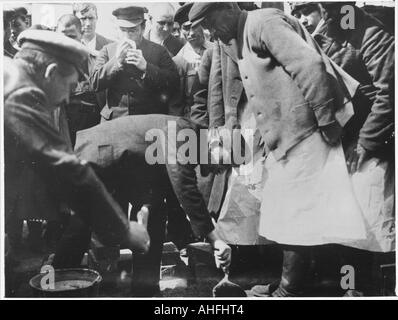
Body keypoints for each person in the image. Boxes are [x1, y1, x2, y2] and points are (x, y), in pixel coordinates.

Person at [189, 2, 368, 297]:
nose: (210, 32)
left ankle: (290, 290)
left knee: (297, 214)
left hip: (310, 130)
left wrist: (326, 123)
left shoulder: (264, 23)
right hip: (291, 136)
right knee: (291, 212)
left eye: (210, 22)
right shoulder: (240, 34)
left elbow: (309, 66)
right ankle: (294, 285)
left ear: (228, 8)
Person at [4, 30, 150, 293]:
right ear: (49, 73)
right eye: (69, 87)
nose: (67, 99)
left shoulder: (8, 75)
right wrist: (124, 229)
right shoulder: (19, 92)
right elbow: (65, 169)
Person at [63, 115, 233, 296]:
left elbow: (173, 190)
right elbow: (184, 186)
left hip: (125, 165)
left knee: (154, 217)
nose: (221, 171)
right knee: (80, 227)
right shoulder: (186, 133)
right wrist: (216, 240)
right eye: (224, 163)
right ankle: (53, 285)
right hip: (101, 154)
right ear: (216, 143)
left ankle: (145, 291)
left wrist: (188, 239)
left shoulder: (190, 136)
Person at [314, 2, 395, 295]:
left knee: (367, 223)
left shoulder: (370, 32)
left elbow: (390, 93)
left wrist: (365, 142)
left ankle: (362, 290)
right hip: (337, 142)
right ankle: (347, 288)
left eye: (327, 8)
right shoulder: (326, 29)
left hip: (368, 143)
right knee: (341, 224)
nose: (323, 15)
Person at [90, 6, 179, 120]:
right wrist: (116, 62)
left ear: (143, 28)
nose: (127, 36)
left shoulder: (159, 51)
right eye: (123, 30)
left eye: (132, 31)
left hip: (147, 122)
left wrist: (146, 67)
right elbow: (94, 84)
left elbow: (173, 82)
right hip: (114, 121)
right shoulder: (107, 50)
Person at [72, 2, 112, 73]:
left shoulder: (110, 46)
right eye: (83, 19)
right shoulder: (70, 45)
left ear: (97, 18)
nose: (88, 24)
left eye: (91, 18)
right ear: (75, 20)